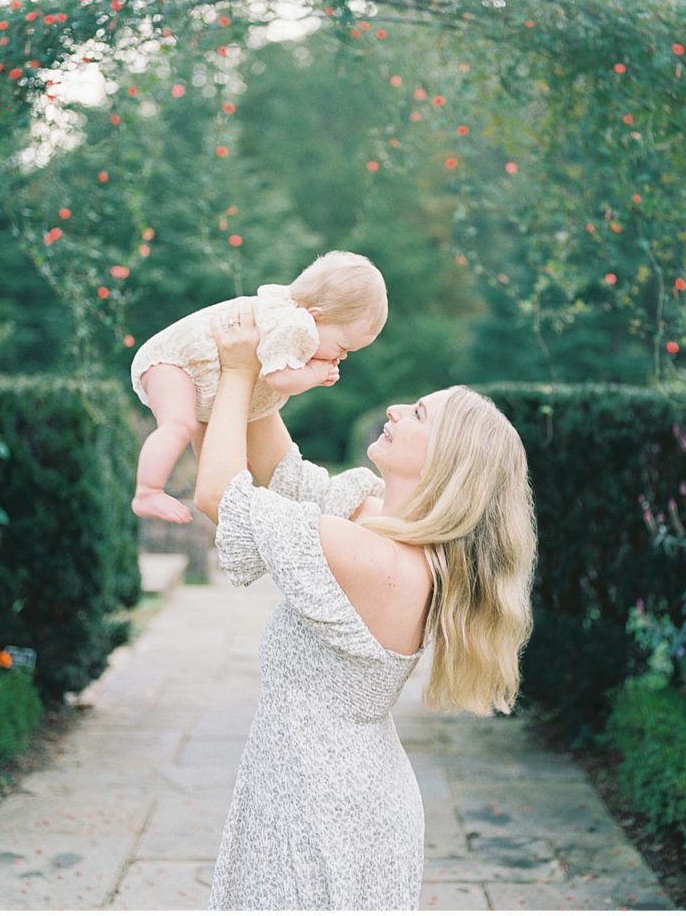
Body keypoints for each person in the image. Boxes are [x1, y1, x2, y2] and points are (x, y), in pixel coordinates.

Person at [193, 299, 537, 910]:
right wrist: (269, 363)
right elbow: (283, 476)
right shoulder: (372, 514)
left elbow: (223, 495)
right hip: (319, 782)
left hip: (325, 804)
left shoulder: (381, 562)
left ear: (447, 458)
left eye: (420, 412)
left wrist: (240, 373)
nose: (397, 408)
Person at [130, 251, 387, 523]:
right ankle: (148, 491)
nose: (343, 356)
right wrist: (313, 373)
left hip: (200, 378)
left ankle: (230, 509)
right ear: (316, 316)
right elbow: (279, 379)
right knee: (179, 425)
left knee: (225, 459)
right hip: (172, 364)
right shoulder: (296, 326)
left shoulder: (287, 313)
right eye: (343, 346)